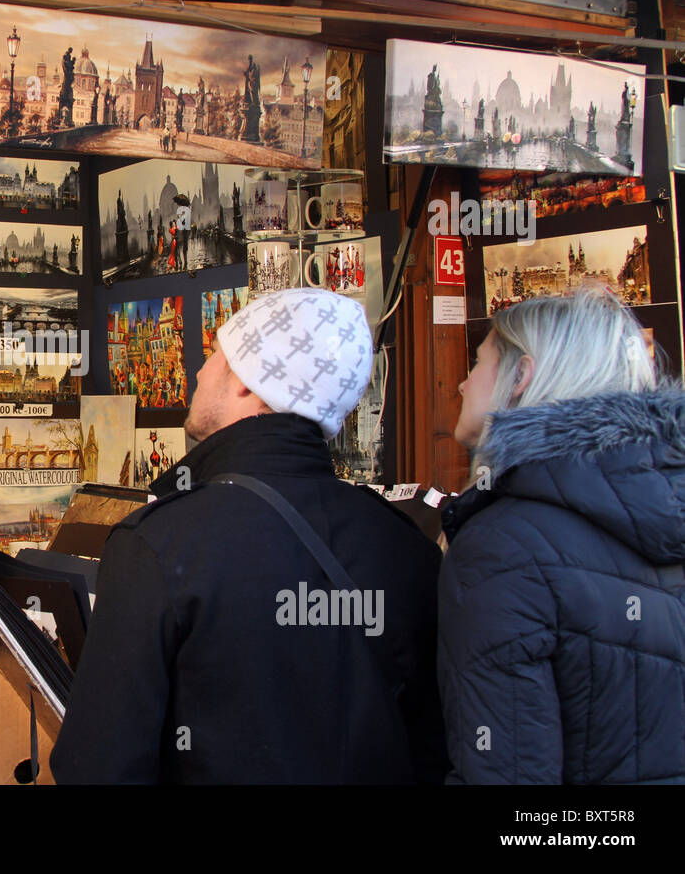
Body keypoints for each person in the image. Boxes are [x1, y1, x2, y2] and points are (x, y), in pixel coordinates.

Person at [51, 288, 448, 783]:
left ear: (246, 380)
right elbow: (434, 751)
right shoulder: (407, 549)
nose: (199, 370)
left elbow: (96, 768)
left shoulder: (159, 544)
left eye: (217, 353)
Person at [438, 289, 685, 783]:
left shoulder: (501, 547)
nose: (462, 384)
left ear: (521, 377)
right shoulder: (663, 511)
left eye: (478, 363)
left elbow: (504, 772)